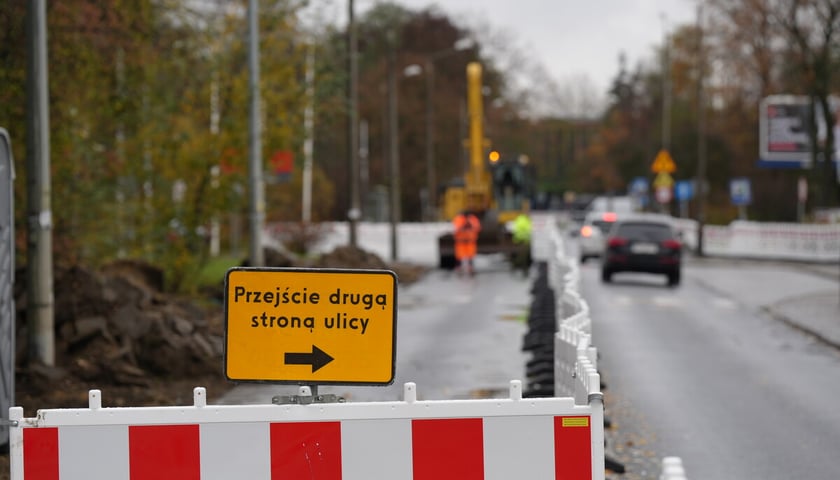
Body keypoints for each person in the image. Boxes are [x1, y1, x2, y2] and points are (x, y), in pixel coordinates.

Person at [452, 210, 481, 275]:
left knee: (470, 255)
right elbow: (455, 228)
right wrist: (463, 226)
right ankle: (459, 268)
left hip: (470, 241)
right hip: (460, 241)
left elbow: (477, 227)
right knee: (459, 255)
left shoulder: (473, 219)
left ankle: (470, 268)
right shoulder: (459, 219)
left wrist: (470, 225)